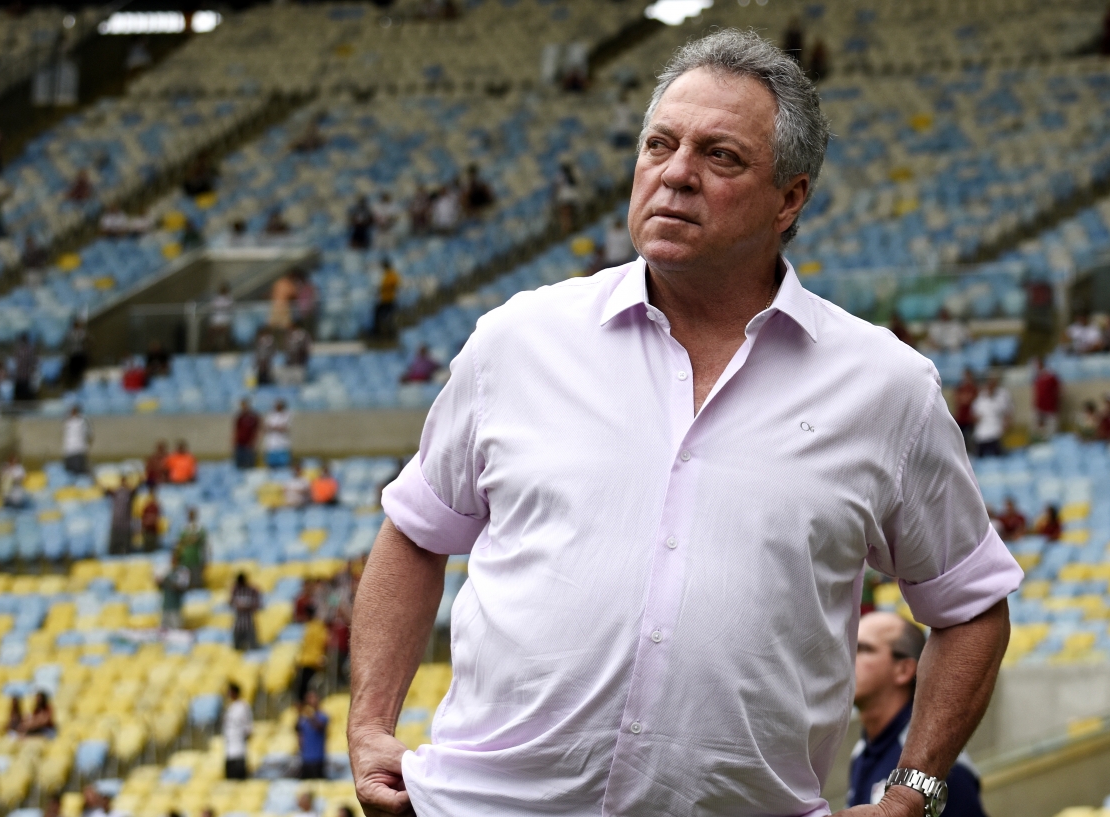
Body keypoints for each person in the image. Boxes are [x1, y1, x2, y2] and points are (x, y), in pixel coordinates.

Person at [346, 30, 1020, 817]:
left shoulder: (887, 387)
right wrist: (367, 725)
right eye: (658, 144)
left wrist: (917, 789)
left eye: (720, 156)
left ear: (790, 198)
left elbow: (971, 604)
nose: (674, 174)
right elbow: (416, 532)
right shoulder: (520, 339)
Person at [849, 612, 987, 816]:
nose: (847, 658)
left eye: (862, 649)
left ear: (904, 670)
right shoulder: (861, 750)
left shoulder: (940, 764)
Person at [972, 375, 1011, 457]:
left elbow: (1007, 412)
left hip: (995, 433)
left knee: (997, 457)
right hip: (982, 434)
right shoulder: (980, 399)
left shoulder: (1001, 397)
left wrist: (1006, 423)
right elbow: (974, 416)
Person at [296, 605, 328, 703]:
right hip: (313, 660)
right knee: (307, 686)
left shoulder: (309, 627)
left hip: (309, 661)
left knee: (305, 687)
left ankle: (306, 703)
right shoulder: (319, 626)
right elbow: (325, 642)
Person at [296, 689, 330, 779]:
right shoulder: (303, 718)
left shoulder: (322, 716)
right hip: (305, 758)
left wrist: (310, 715)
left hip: (317, 758)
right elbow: (299, 731)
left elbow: (320, 726)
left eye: (312, 698)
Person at [224, 682, 252, 779]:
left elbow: (248, 728)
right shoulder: (229, 708)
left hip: (239, 749)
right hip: (229, 750)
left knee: (238, 778)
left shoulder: (243, 706)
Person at [176, 507, 208, 589]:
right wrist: (177, 557)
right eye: (190, 514)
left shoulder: (200, 528)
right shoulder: (183, 528)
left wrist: (205, 559)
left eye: (192, 514)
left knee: (197, 582)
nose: (191, 516)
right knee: (185, 583)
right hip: (185, 559)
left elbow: (204, 545)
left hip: (196, 559)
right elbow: (180, 544)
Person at [231, 574, 261, 652]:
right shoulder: (235, 590)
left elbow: (257, 605)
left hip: (249, 624)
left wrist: (244, 606)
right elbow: (231, 602)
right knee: (237, 648)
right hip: (238, 624)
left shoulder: (252, 590)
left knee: (252, 647)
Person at [1032, 357, 1061, 440]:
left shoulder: (1050, 375)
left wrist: (1056, 401)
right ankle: (1039, 441)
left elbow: (1059, 389)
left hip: (1050, 406)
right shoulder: (1037, 377)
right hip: (1039, 405)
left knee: (1051, 428)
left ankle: (1053, 440)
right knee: (1037, 428)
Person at [158, 553, 189, 629]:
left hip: (175, 607)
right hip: (166, 605)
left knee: (176, 630)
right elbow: (162, 587)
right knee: (165, 631)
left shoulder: (182, 572)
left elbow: (182, 588)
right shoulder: (168, 572)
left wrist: (169, 583)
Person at [373, 259, 400, 341]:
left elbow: (394, 284)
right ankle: (379, 331)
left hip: (390, 300)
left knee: (389, 317)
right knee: (378, 313)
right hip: (384, 299)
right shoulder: (386, 275)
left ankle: (390, 333)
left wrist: (384, 288)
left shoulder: (392, 275)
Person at [953, 368, 978, 451]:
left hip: (969, 418)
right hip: (961, 417)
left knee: (970, 438)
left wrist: (964, 399)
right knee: (960, 439)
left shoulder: (973, 387)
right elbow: (957, 398)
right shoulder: (960, 387)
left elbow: (970, 400)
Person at [108, 478, 135, 555]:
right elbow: (107, 491)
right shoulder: (116, 492)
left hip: (125, 524)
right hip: (116, 522)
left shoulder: (128, 492)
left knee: (126, 545)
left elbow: (134, 490)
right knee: (114, 546)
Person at [62, 406, 91, 476]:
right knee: (69, 471)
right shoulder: (67, 422)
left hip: (79, 450)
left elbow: (89, 435)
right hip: (69, 450)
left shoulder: (82, 421)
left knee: (79, 471)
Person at [264, 399, 293, 469]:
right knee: (271, 466)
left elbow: (284, 428)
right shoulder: (271, 415)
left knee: (283, 467)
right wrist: (276, 427)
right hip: (271, 445)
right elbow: (266, 428)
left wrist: (273, 428)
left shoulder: (287, 415)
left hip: (282, 445)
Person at [554, 162, 581, 234]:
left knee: (567, 214)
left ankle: (569, 228)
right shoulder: (563, 176)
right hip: (568, 197)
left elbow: (557, 187)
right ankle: (568, 228)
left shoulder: (564, 176)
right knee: (567, 214)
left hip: (567, 197)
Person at [12, 334, 38, 406]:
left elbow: (33, 362)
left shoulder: (29, 349)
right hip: (20, 375)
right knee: (19, 393)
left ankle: (28, 406)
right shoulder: (19, 349)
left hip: (26, 376)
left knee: (26, 393)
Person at [235, 398, 261, 469]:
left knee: (250, 465)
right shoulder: (240, 417)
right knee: (239, 465)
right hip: (240, 444)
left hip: (249, 445)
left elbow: (257, 430)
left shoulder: (253, 417)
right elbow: (236, 430)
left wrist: (255, 442)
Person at [65, 319, 90, 390]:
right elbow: (85, 339)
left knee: (77, 371)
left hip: (77, 354)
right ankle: (74, 384)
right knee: (75, 371)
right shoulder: (75, 333)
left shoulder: (73, 333)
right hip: (76, 354)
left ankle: (76, 384)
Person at [209, 283, 234, 351]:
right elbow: (214, 306)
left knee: (225, 334)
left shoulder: (229, 297)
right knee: (212, 333)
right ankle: (212, 348)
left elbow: (228, 307)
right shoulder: (216, 297)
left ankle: (224, 348)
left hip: (225, 319)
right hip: (216, 319)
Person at [140, 486, 161, 552]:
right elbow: (143, 515)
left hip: (153, 528)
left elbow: (157, 515)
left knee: (153, 547)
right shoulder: (146, 504)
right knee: (147, 546)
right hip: (147, 528)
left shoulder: (156, 505)